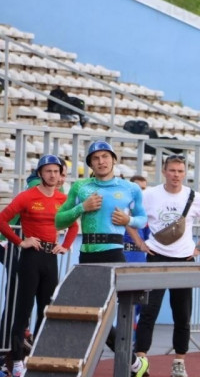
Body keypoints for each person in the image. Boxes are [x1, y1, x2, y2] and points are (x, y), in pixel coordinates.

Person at [55, 140, 150, 377]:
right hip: (87, 255)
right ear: (90, 163)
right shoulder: (81, 187)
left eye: (105, 156)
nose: (101, 161)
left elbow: (143, 219)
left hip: (113, 254)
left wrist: (128, 221)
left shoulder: (130, 188)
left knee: (101, 314)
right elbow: (58, 220)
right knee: (89, 315)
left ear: (114, 159)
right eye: (96, 158)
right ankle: (134, 364)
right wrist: (82, 208)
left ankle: (127, 363)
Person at [134, 154, 200, 377]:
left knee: (182, 314)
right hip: (156, 257)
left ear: (185, 173)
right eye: (172, 170)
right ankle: (141, 360)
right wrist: (140, 243)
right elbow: (129, 218)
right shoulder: (150, 194)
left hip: (184, 261)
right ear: (164, 171)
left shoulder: (194, 197)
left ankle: (179, 361)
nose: (176, 175)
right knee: (148, 311)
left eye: (180, 171)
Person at [0, 155, 79, 377]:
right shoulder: (27, 196)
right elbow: (2, 220)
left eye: (56, 171)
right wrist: (20, 242)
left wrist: (65, 246)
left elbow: (74, 225)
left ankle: (37, 358)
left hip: (50, 258)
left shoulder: (63, 199)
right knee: (22, 311)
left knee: (46, 310)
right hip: (30, 258)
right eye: (48, 171)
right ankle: (17, 362)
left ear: (60, 174)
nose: (52, 175)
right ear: (40, 173)